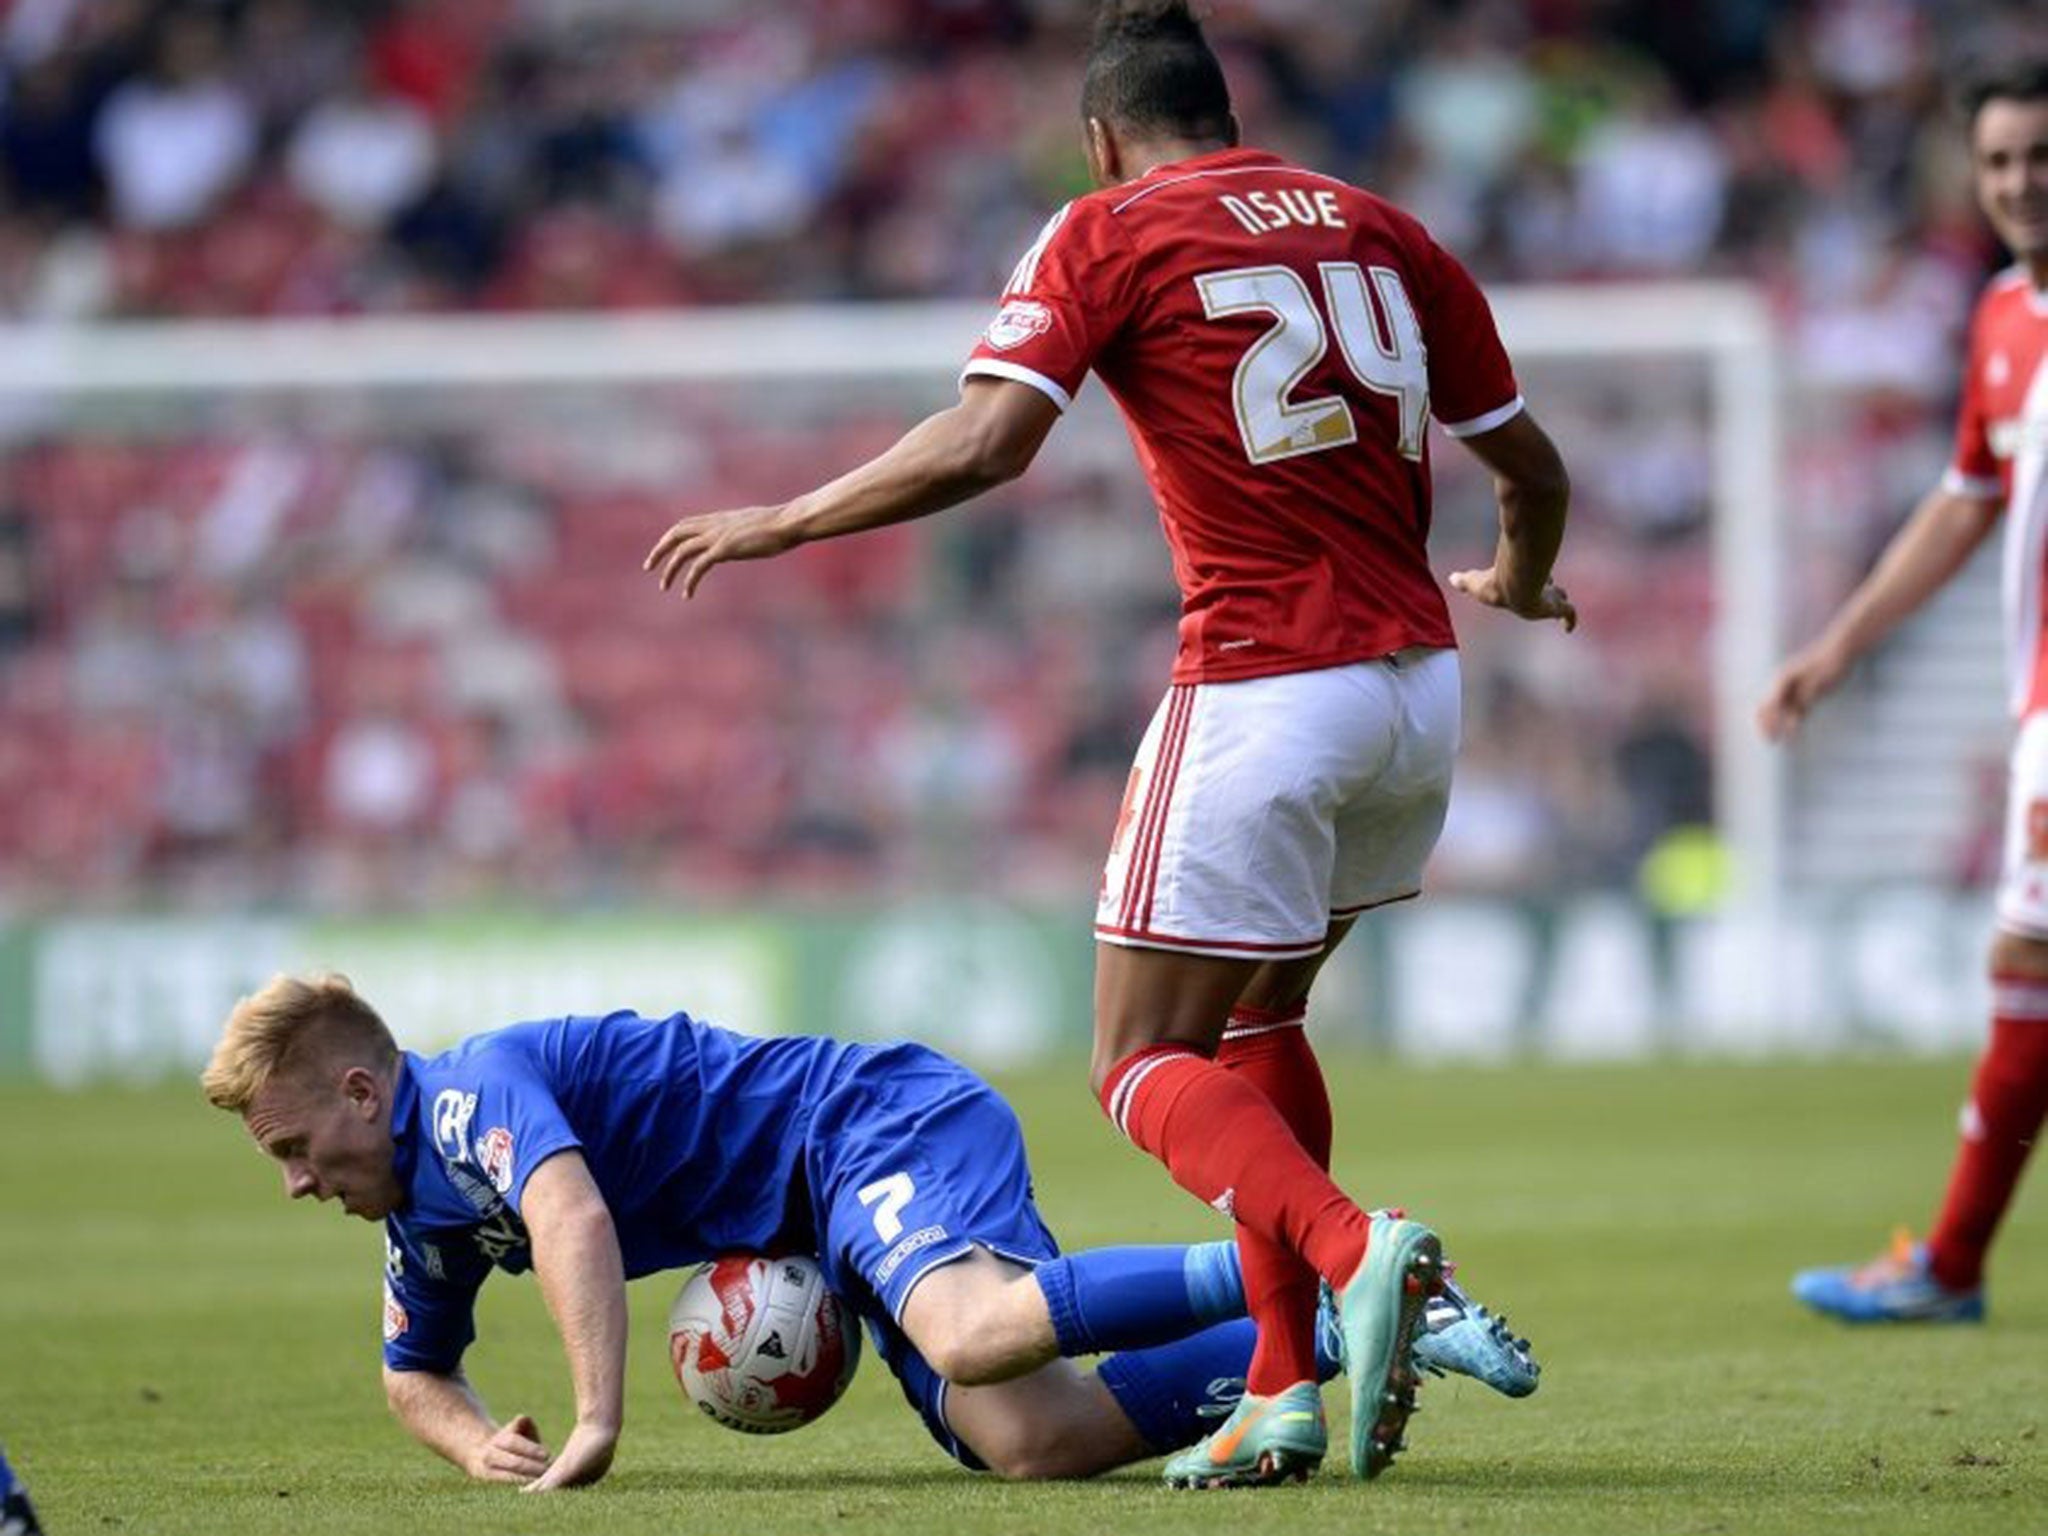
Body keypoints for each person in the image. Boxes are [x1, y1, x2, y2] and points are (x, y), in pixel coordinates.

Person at [642, 0, 1572, 1487]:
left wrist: (788, 518)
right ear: (1229, 109)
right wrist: (1522, 580)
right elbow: (1528, 464)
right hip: (1417, 691)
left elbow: (989, 440)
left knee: (1139, 1061)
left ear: (1100, 133)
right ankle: (1277, 1391)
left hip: (1269, 681)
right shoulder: (1383, 230)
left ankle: (1358, 1248)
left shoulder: (1109, 227)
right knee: (1262, 1025)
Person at [202, 973, 1537, 1491]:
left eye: (293, 1148)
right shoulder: (422, 1212)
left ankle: (1333, 1262)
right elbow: (409, 1370)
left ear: (364, 1093)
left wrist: (596, 1415)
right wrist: (474, 1439)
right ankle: (1345, 1323)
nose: (295, 1182)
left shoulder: (477, 1090)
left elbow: (571, 1215)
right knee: (1033, 1443)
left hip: (863, 1124)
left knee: (967, 1333)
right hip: (824, 1214)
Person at [1758, 58, 2048, 1323]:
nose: (2020, 184)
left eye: (2039, 158)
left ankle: (1949, 1264)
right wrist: (1835, 648)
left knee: (2024, 955)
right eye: (1996, 164)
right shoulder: (1998, 319)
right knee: (2022, 958)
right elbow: (1961, 506)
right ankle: (1951, 1262)